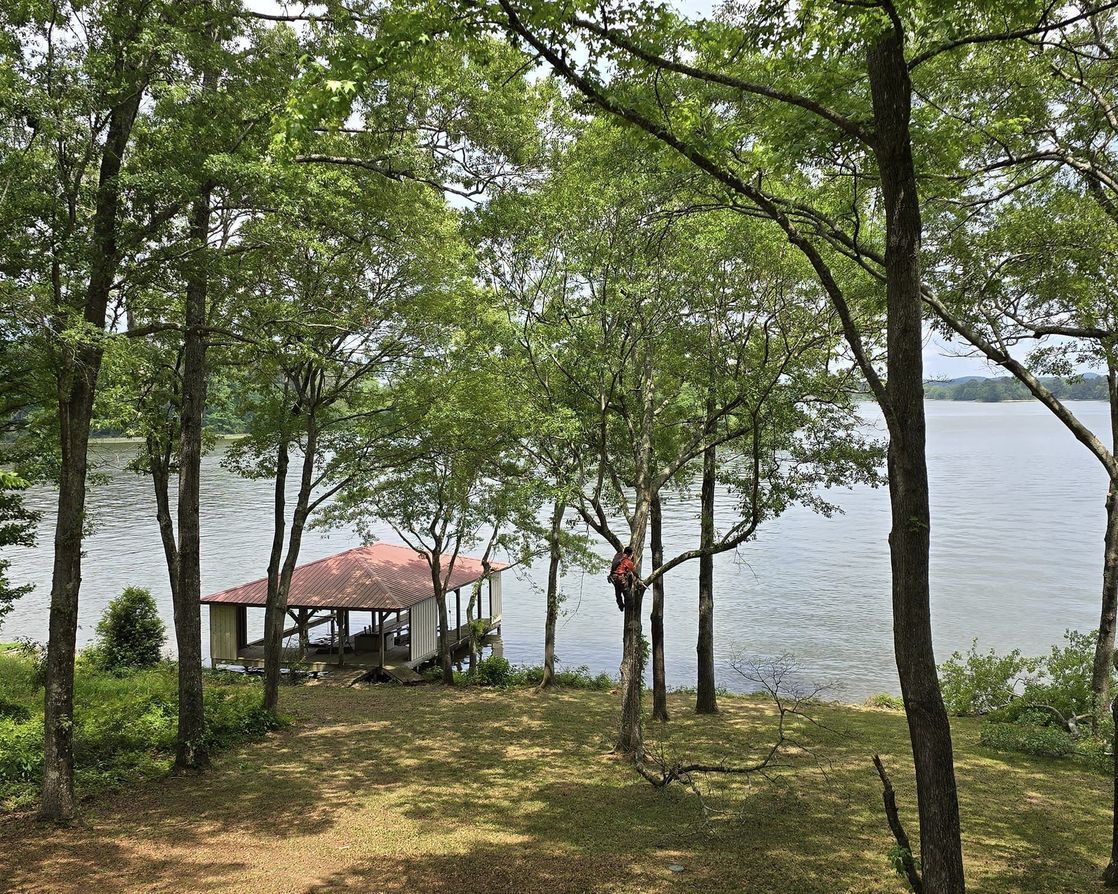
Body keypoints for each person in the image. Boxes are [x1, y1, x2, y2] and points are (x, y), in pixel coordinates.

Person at [608, 546, 636, 612]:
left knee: (618, 592)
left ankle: (620, 605)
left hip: (613, 578)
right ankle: (631, 607)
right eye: (631, 554)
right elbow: (634, 571)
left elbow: (613, 566)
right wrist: (637, 577)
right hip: (620, 578)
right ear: (629, 553)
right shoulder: (627, 561)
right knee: (627, 593)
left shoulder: (617, 556)